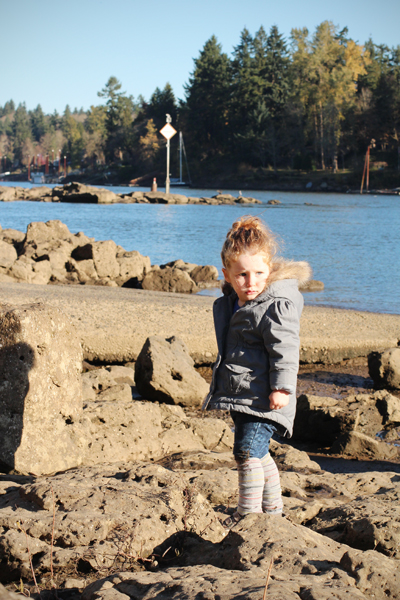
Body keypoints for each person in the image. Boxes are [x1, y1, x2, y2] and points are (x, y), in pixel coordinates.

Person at [203, 215, 311, 527]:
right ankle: (273, 512)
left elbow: (285, 349)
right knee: (259, 452)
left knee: (246, 451)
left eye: (259, 273)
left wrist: (282, 388)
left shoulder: (275, 305)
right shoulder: (234, 302)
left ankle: (247, 514)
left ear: (270, 270)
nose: (251, 282)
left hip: (265, 396)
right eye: (242, 275)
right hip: (244, 394)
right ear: (227, 274)